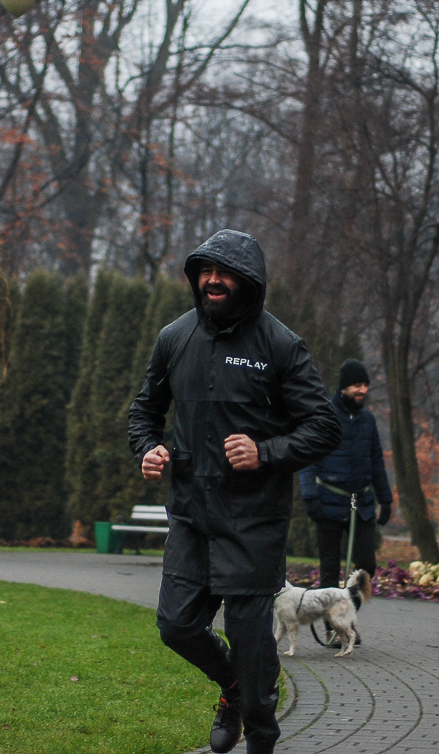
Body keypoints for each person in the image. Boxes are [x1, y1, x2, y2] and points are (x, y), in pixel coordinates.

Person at [128, 229, 342, 754]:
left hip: (254, 522)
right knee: (175, 626)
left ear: (249, 283)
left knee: (252, 646)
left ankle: (261, 739)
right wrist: (148, 448)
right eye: (205, 271)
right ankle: (232, 687)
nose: (213, 280)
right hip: (192, 517)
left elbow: (323, 425)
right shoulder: (175, 337)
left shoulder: (280, 345)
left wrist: (265, 452)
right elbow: (144, 410)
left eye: (224, 273)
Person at [300, 359, 393, 594]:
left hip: (361, 504)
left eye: (365, 385)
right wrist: (309, 496)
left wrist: (386, 499)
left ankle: (347, 612)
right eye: (357, 385)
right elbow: (308, 457)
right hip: (328, 502)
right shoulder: (324, 414)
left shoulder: (368, 419)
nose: (363, 390)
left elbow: (376, 461)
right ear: (344, 387)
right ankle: (332, 627)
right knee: (329, 570)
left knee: (367, 566)